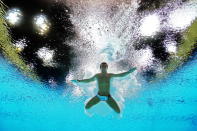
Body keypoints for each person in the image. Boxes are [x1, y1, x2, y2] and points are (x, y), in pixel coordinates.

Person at [72, 62, 136, 113]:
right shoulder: (97, 76)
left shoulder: (110, 75)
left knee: (118, 111)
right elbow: (88, 80)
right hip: (98, 96)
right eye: (102, 66)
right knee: (86, 107)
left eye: (105, 66)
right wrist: (78, 81)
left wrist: (129, 72)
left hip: (108, 97)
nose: (104, 67)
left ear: (107, 67)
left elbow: (120, 75)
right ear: (100, 67)